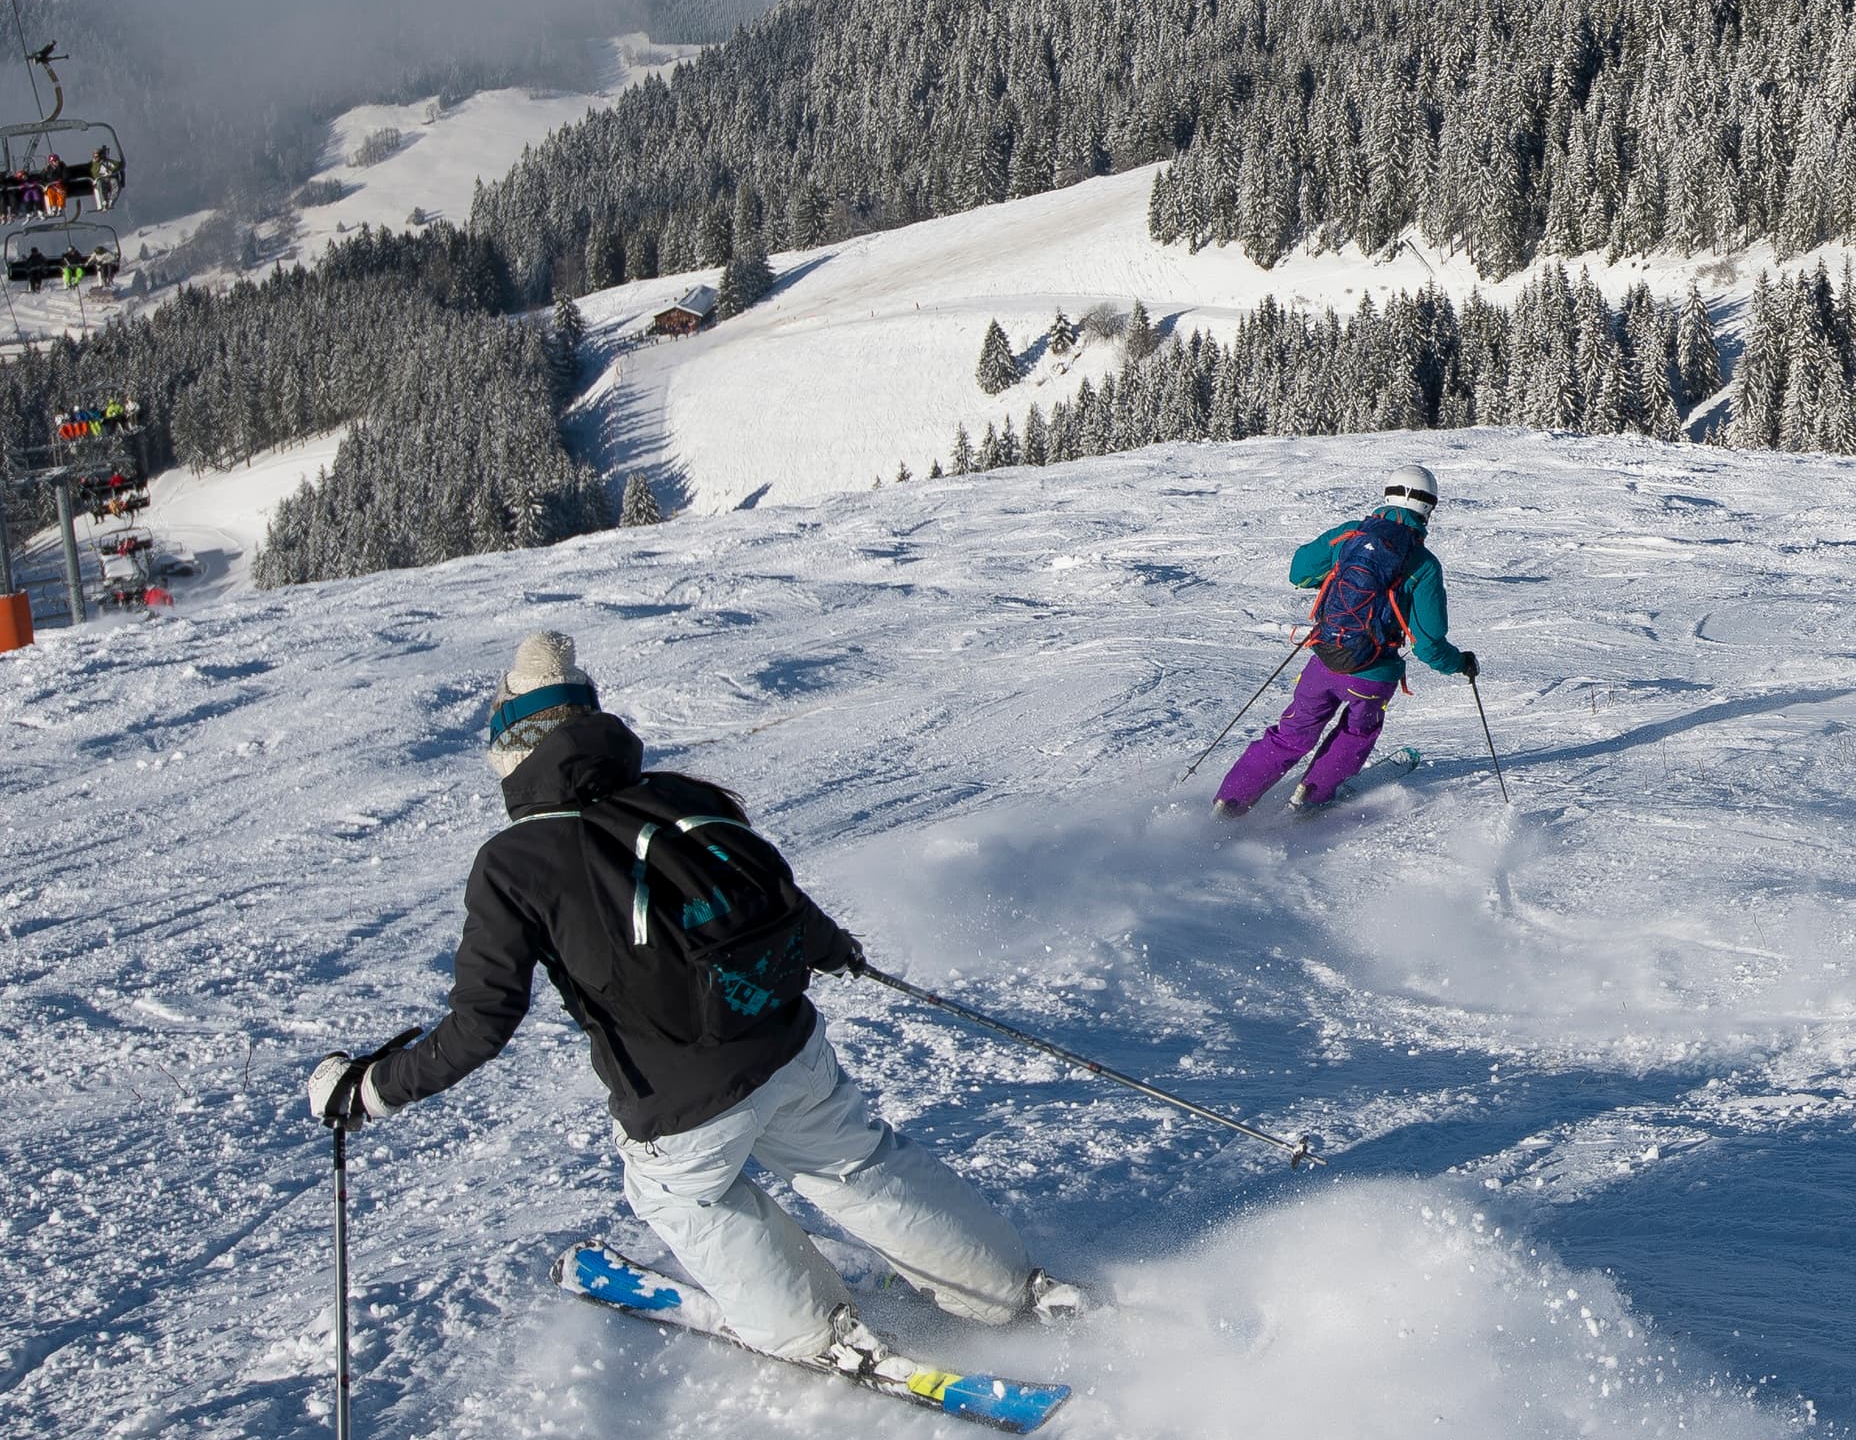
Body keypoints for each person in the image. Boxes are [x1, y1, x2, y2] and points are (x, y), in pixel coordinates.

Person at [304, 632, 1076, 1374]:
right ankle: (1010, 1290)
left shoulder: (515, 860)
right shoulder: (682, 796)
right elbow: (772, 897)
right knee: (857, 1162)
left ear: (513, 752)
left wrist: (371, 1089)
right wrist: (833, 948)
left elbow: (483, 1022)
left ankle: (822, 1334)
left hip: (681, 1097)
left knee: (685, 1197)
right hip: (788, 1043)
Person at [1218, 459, 1478, 818]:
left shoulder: (1349, 535)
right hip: (1373, 673)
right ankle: (1310, 798)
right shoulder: (1423, 564)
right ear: (1429, 507)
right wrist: (1460, 664)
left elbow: (1299, 572)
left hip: (1325, 659)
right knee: (1357, 733)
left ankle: (1230, 800)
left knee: (1292, 732)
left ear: (1387, 495)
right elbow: (1429, 643)